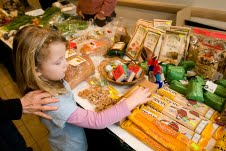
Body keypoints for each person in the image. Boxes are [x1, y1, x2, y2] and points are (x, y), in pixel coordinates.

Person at [13, 25, 151, 151]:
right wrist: (132, 101)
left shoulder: (46, 79)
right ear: (35, 68)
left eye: (64, 57)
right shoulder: (53, 102)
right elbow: (98, 121)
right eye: (58, 62)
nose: (65, 64)